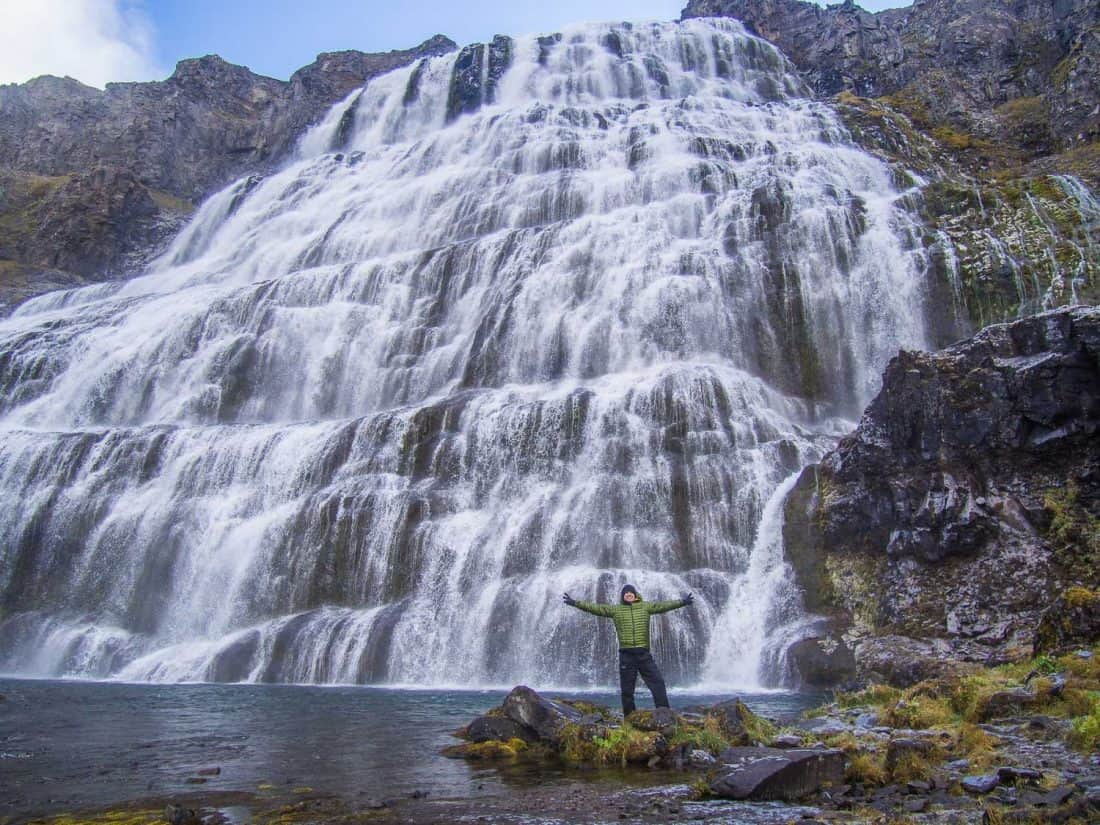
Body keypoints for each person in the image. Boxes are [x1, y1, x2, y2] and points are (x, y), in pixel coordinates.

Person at [563, 584, 694, 715]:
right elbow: (596, 608)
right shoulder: (616, 610)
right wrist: (575, 603)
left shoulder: (645, 607)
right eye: (626, 593)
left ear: (635, 595)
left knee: (658, 683)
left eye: (631, 593)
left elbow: (663, 606)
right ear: (623, 596)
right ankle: (629, 719)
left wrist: (683, 602)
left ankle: (664, 714)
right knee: (627, 690)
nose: (628, 595)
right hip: (626, 655)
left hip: (643, 654)